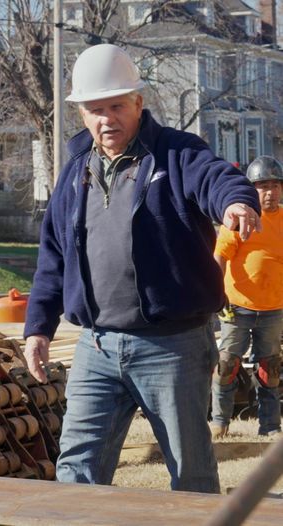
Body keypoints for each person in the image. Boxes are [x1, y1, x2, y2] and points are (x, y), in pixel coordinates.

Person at [23, 44, 261, 493]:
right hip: (95, 346)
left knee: (190, 473)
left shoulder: (176, 153)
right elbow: (53, 255)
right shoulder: (75, 168)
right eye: (95, 109)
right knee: (76, 471)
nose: (106, 119)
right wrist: (38, 326)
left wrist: (237, 201)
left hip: (172, 348)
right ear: (81, 113)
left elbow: (216, 178)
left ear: (139, 102)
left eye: (116, 106)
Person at [211, 155, 283, 438]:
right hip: (236, 306)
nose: (270, 192)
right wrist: (217, 295)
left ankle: (270, 427)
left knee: (270, 369)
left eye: (275, 186)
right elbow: (220, 256)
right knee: (227, 364)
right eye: (263, 186)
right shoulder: (241, 218)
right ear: (252, 189)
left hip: (273, 308)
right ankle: (220, 422)